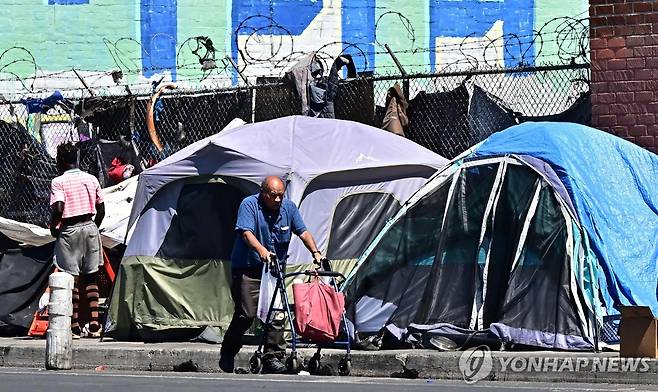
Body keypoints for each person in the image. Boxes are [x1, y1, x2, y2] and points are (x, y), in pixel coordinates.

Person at [219, 176, 323, 374]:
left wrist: (315, 253)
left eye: (280, 196)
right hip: (248, 269)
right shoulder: (249, 205)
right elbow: (246, 233)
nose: (277, 200)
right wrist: (261, 251)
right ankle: (228, 351)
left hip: (275, 271)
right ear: (263, 193)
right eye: (273, 196)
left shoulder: (289, 208)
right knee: (246, 314)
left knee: (277, 314)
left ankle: (272, 358)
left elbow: (303, 232)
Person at [49, 142, 105, 339]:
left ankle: (74, 327)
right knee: (91, 278)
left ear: (62, 161)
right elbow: (101, 208)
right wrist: (93, 227)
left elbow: (58, 208)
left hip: (69, 230)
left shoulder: (58, 182)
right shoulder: (91, 179)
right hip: (90, 227)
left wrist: (53, 227)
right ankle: (95, 325)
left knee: (71, 279)